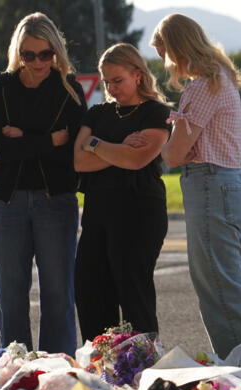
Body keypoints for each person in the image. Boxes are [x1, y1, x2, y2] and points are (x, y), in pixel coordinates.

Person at [150, 13, 241, 368]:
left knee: (221, 294)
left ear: (178, 48)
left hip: (210, 187)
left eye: (165, 53)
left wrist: (169, 145)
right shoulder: (220, 78)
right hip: (227, 185)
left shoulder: (203, 84)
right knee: (236, 293)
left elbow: (173, 154)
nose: (166, 63)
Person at [0, 12, 86, 354]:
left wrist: (24, 138)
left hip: (56, 200)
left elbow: (72, 151)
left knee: (58, 294)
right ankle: (16, 374)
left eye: (46, 54)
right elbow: (2, 152)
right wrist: (49, 140)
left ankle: (59, 374)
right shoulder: (1, 87)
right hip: (8, 202)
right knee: (10, 295)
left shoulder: (70, 90)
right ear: (18, 53)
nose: (38, 62)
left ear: (56, 51)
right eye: (29, 55)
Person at [73, 43, 171, 341]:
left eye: (118, 80)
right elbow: (78, 160)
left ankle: (140, 368)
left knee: (133, 292)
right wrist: (116, 149)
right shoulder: (98, 113)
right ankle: (100, 365)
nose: (111, 87)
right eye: (106, 82)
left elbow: (136, 159)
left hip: (139, 213)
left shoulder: (156, 112)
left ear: (138, 75)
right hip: (98, 213)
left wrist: (96, 145)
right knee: (89, 289)